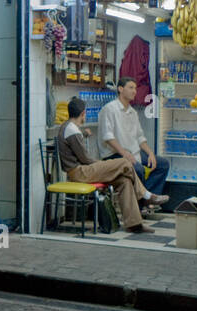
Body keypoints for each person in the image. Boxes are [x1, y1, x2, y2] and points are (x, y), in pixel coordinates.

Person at [57, 97, 168, 233]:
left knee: (125, 181)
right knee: (124, 162)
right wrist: (103, 164)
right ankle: (145, 195)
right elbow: (85, 159)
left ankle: (134, 224)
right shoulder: (72, 130)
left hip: (81, 170)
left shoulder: (70, 127)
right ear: (83, 113)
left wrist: (84, 135)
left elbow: (77, 148)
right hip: (80, 172)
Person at [98, 77, 169, 202]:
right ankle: (140, 204)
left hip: (132, 153)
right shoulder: (109, 109)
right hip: (114, 155)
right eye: (131, 88)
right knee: (138, 169)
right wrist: (124, 154)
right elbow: (108, 137)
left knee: (162, 164)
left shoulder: (133, 112)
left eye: (135, 88)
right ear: (120, 89)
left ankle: (149, 198)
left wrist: (150, 153)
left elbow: (140, 137)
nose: (134, 91)